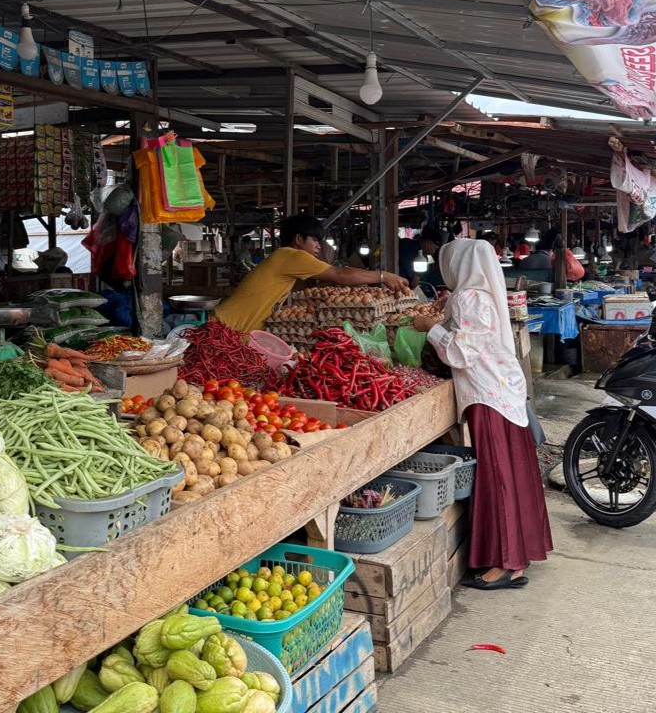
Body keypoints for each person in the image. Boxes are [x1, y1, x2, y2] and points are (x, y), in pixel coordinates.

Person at [412, 239, 552, 590]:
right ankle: (516, 559)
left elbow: (460, 353)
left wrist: (429, 328)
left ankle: (503, 564)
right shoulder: (484, 295)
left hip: (487, 397)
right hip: (503, 394)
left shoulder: (468, 298)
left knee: (498, 479)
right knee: (514, 475)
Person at [213, 214, 410, 332]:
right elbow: (340, 275)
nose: (318, 246)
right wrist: (383, 276)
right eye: (314, 240)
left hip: (232, 330)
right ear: (298, 239)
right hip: (224, 329)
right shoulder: (292, 256)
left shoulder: (287, 261)